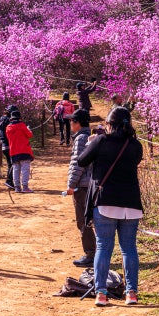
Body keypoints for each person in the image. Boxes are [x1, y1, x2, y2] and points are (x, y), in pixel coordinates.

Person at [78, 107, 143, 307]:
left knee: (104, 248)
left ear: (110, 123)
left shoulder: (101, 141)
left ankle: (101, 294)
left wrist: (90, 144)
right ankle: (131, 293)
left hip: (106, 202)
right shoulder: (135, 145)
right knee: (129, 249)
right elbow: (134, 162)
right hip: (131, 204)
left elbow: (82, 161)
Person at [64, 109, 95, 268]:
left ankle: (91, 254)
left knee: (83, 220)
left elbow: (77, 164)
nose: (70, 124)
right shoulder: (86, 136)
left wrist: (71, 185)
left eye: (72, 121)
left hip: (82, 186)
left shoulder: (81, 139)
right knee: (88, 219)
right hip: (88, 184)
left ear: (78, 123)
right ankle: (93, 253)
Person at [5, 111, 34, 193]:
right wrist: (28, 129)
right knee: (25, 169)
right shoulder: (22, 126)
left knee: (16, 169)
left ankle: (17, 187)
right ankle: (25, 187)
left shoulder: (8, 128)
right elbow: (30, 135)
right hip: (24, 150)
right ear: (19, 118)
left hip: (13, 151)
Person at [0, 105, 18, 189]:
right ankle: (9, 181)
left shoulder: (0, 119)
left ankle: (10, 181)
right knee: (13, 163)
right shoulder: (8, 121)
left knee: (11, 163)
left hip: (3, 144)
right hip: (9, 144)